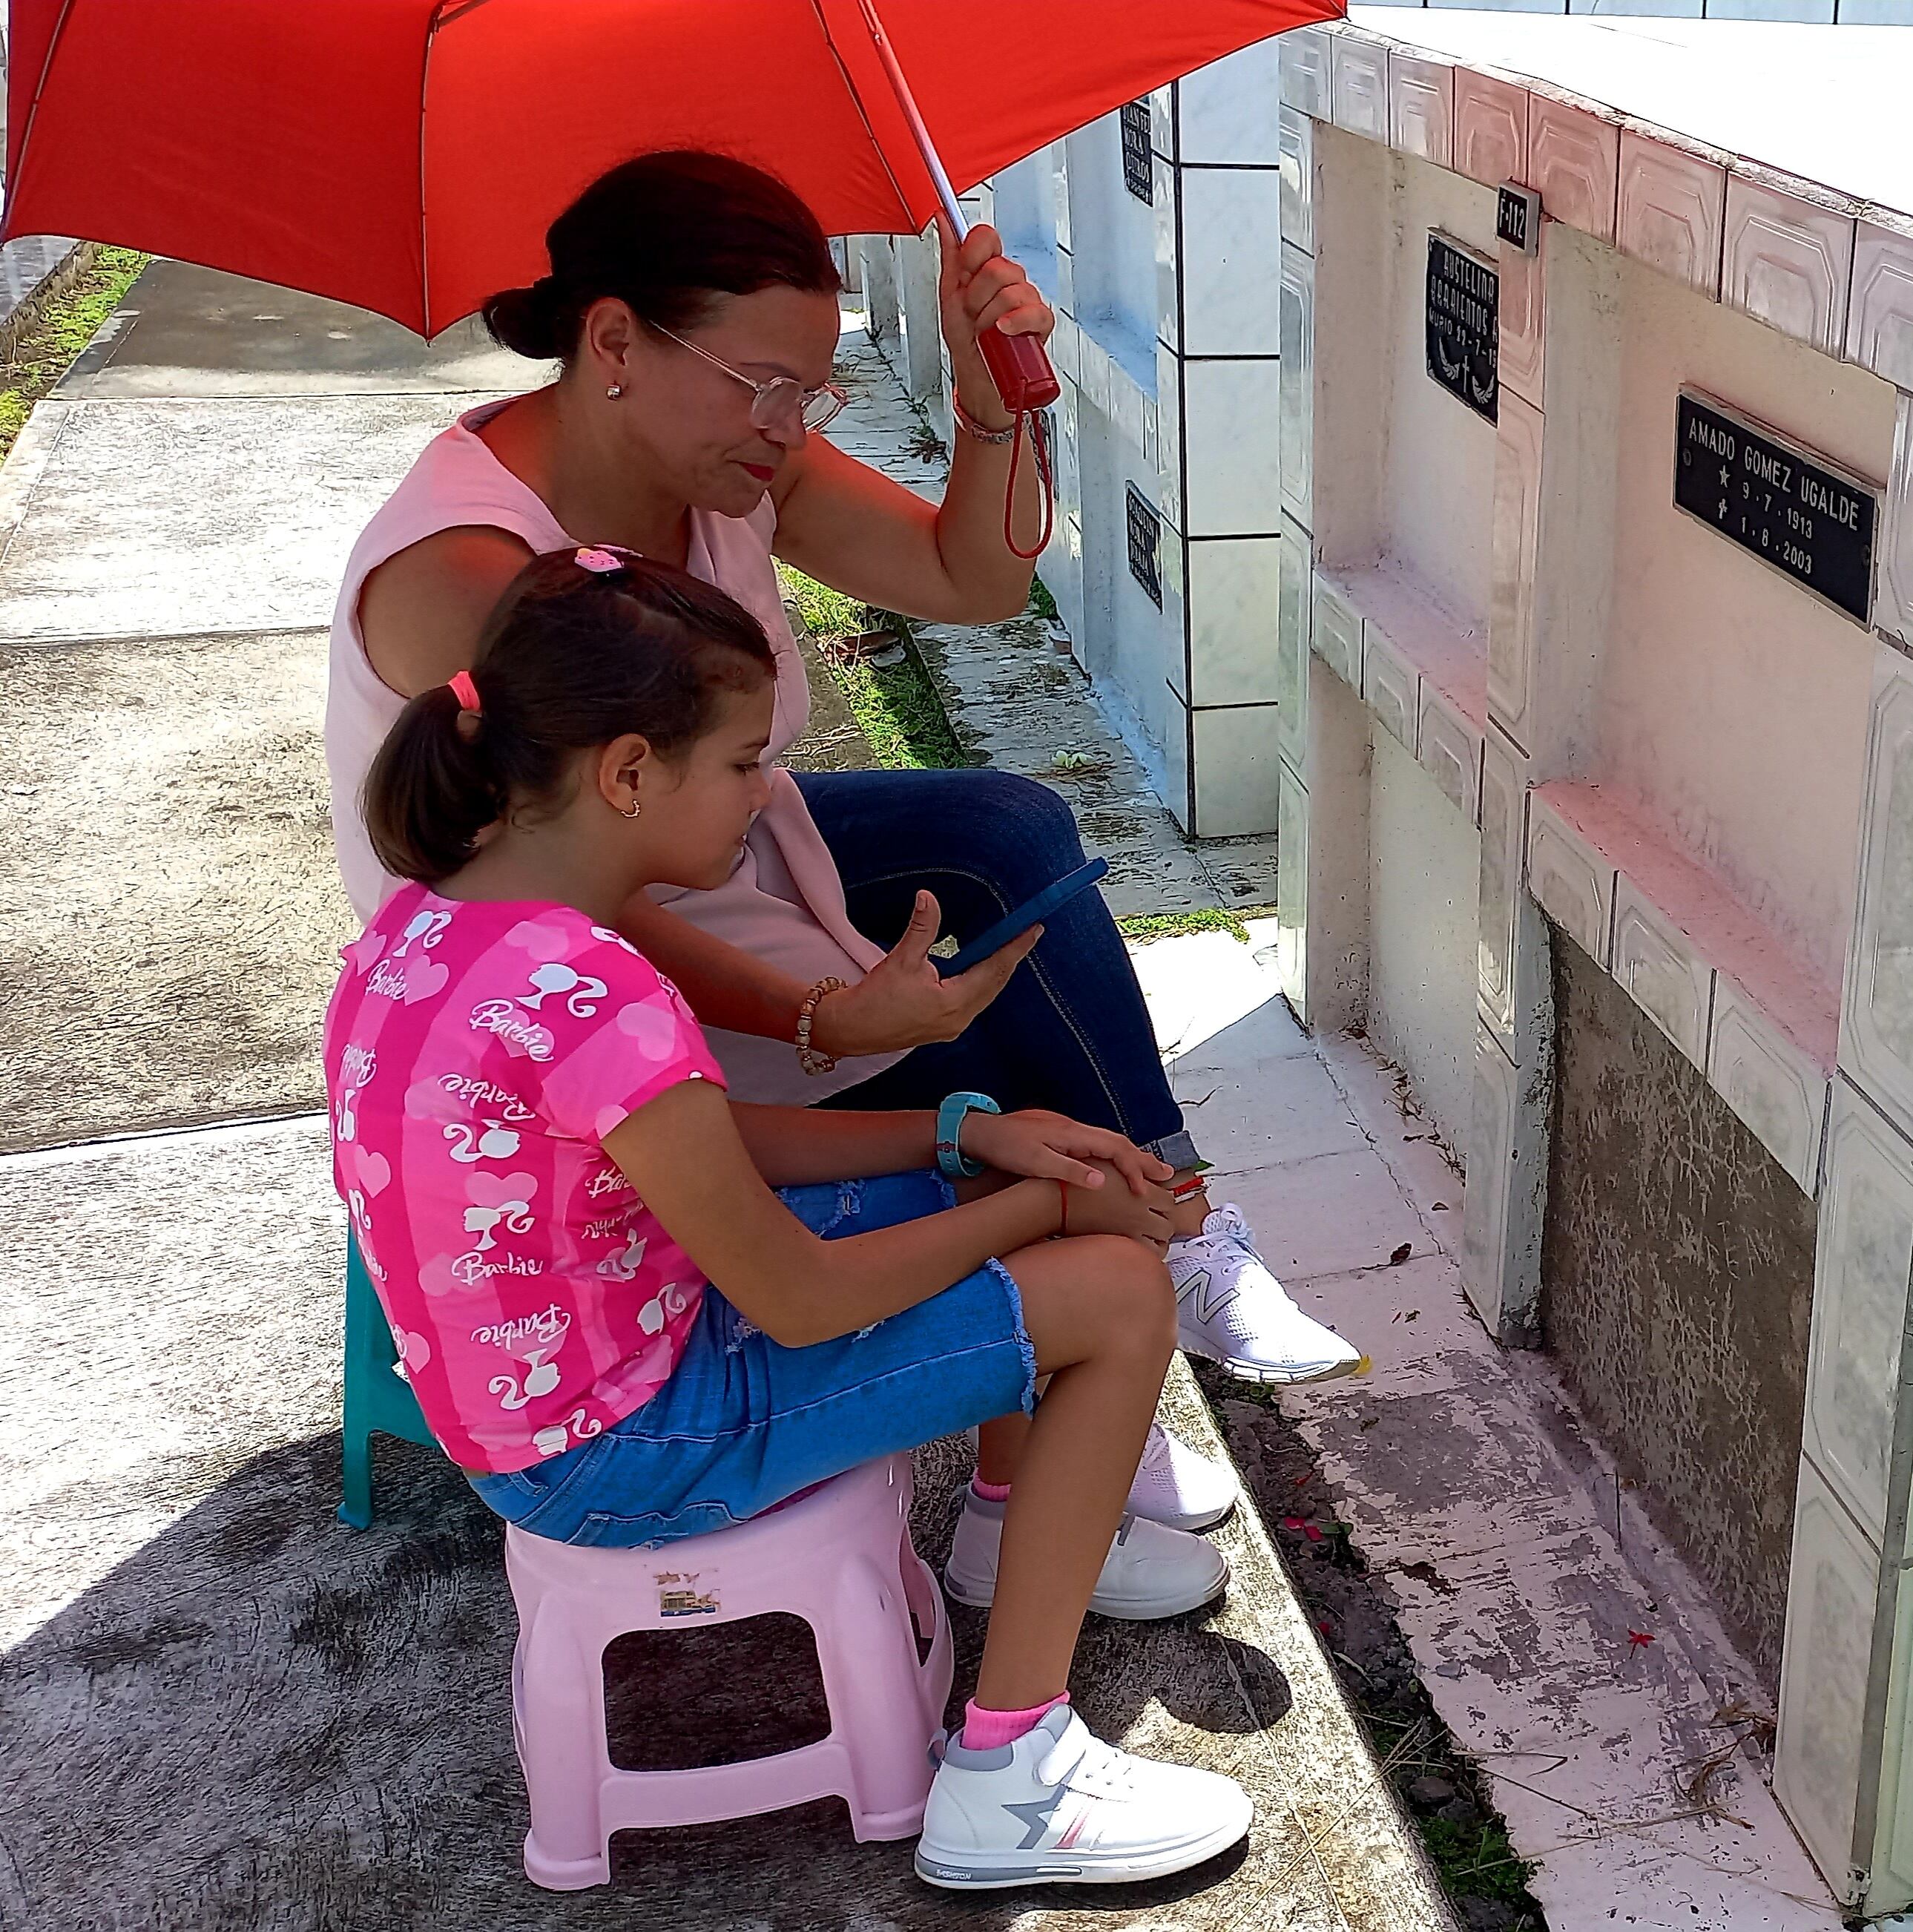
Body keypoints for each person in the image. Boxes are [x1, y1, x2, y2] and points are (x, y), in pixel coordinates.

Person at [324, 151, 1362, 1548]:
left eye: (808, 390)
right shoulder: (467, 576)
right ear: (617, 339)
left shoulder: (732, 466)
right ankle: (1073, 1339)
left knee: (1003, 838)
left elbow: (970, 581)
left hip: (712, 862)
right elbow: (588, 920)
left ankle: (1157, 1225)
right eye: (762, 382)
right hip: (549, 973)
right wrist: (822, 1012)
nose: (788, 423)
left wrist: (995, 414)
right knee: (951, 1045)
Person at [328, 547, 1254, 1887]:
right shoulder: (602, 994)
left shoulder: (428, 932)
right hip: (629, 1443)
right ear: (631, 774)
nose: (767, 797)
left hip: (564, 1403)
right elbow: (799, 1303)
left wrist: (967, 1134)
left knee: (1020, 1212)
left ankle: (1014, 1524)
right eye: (744, 764)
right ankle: (1011, 1775)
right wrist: (1041, 1202)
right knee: (1116, 1290)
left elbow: (717, 1145)